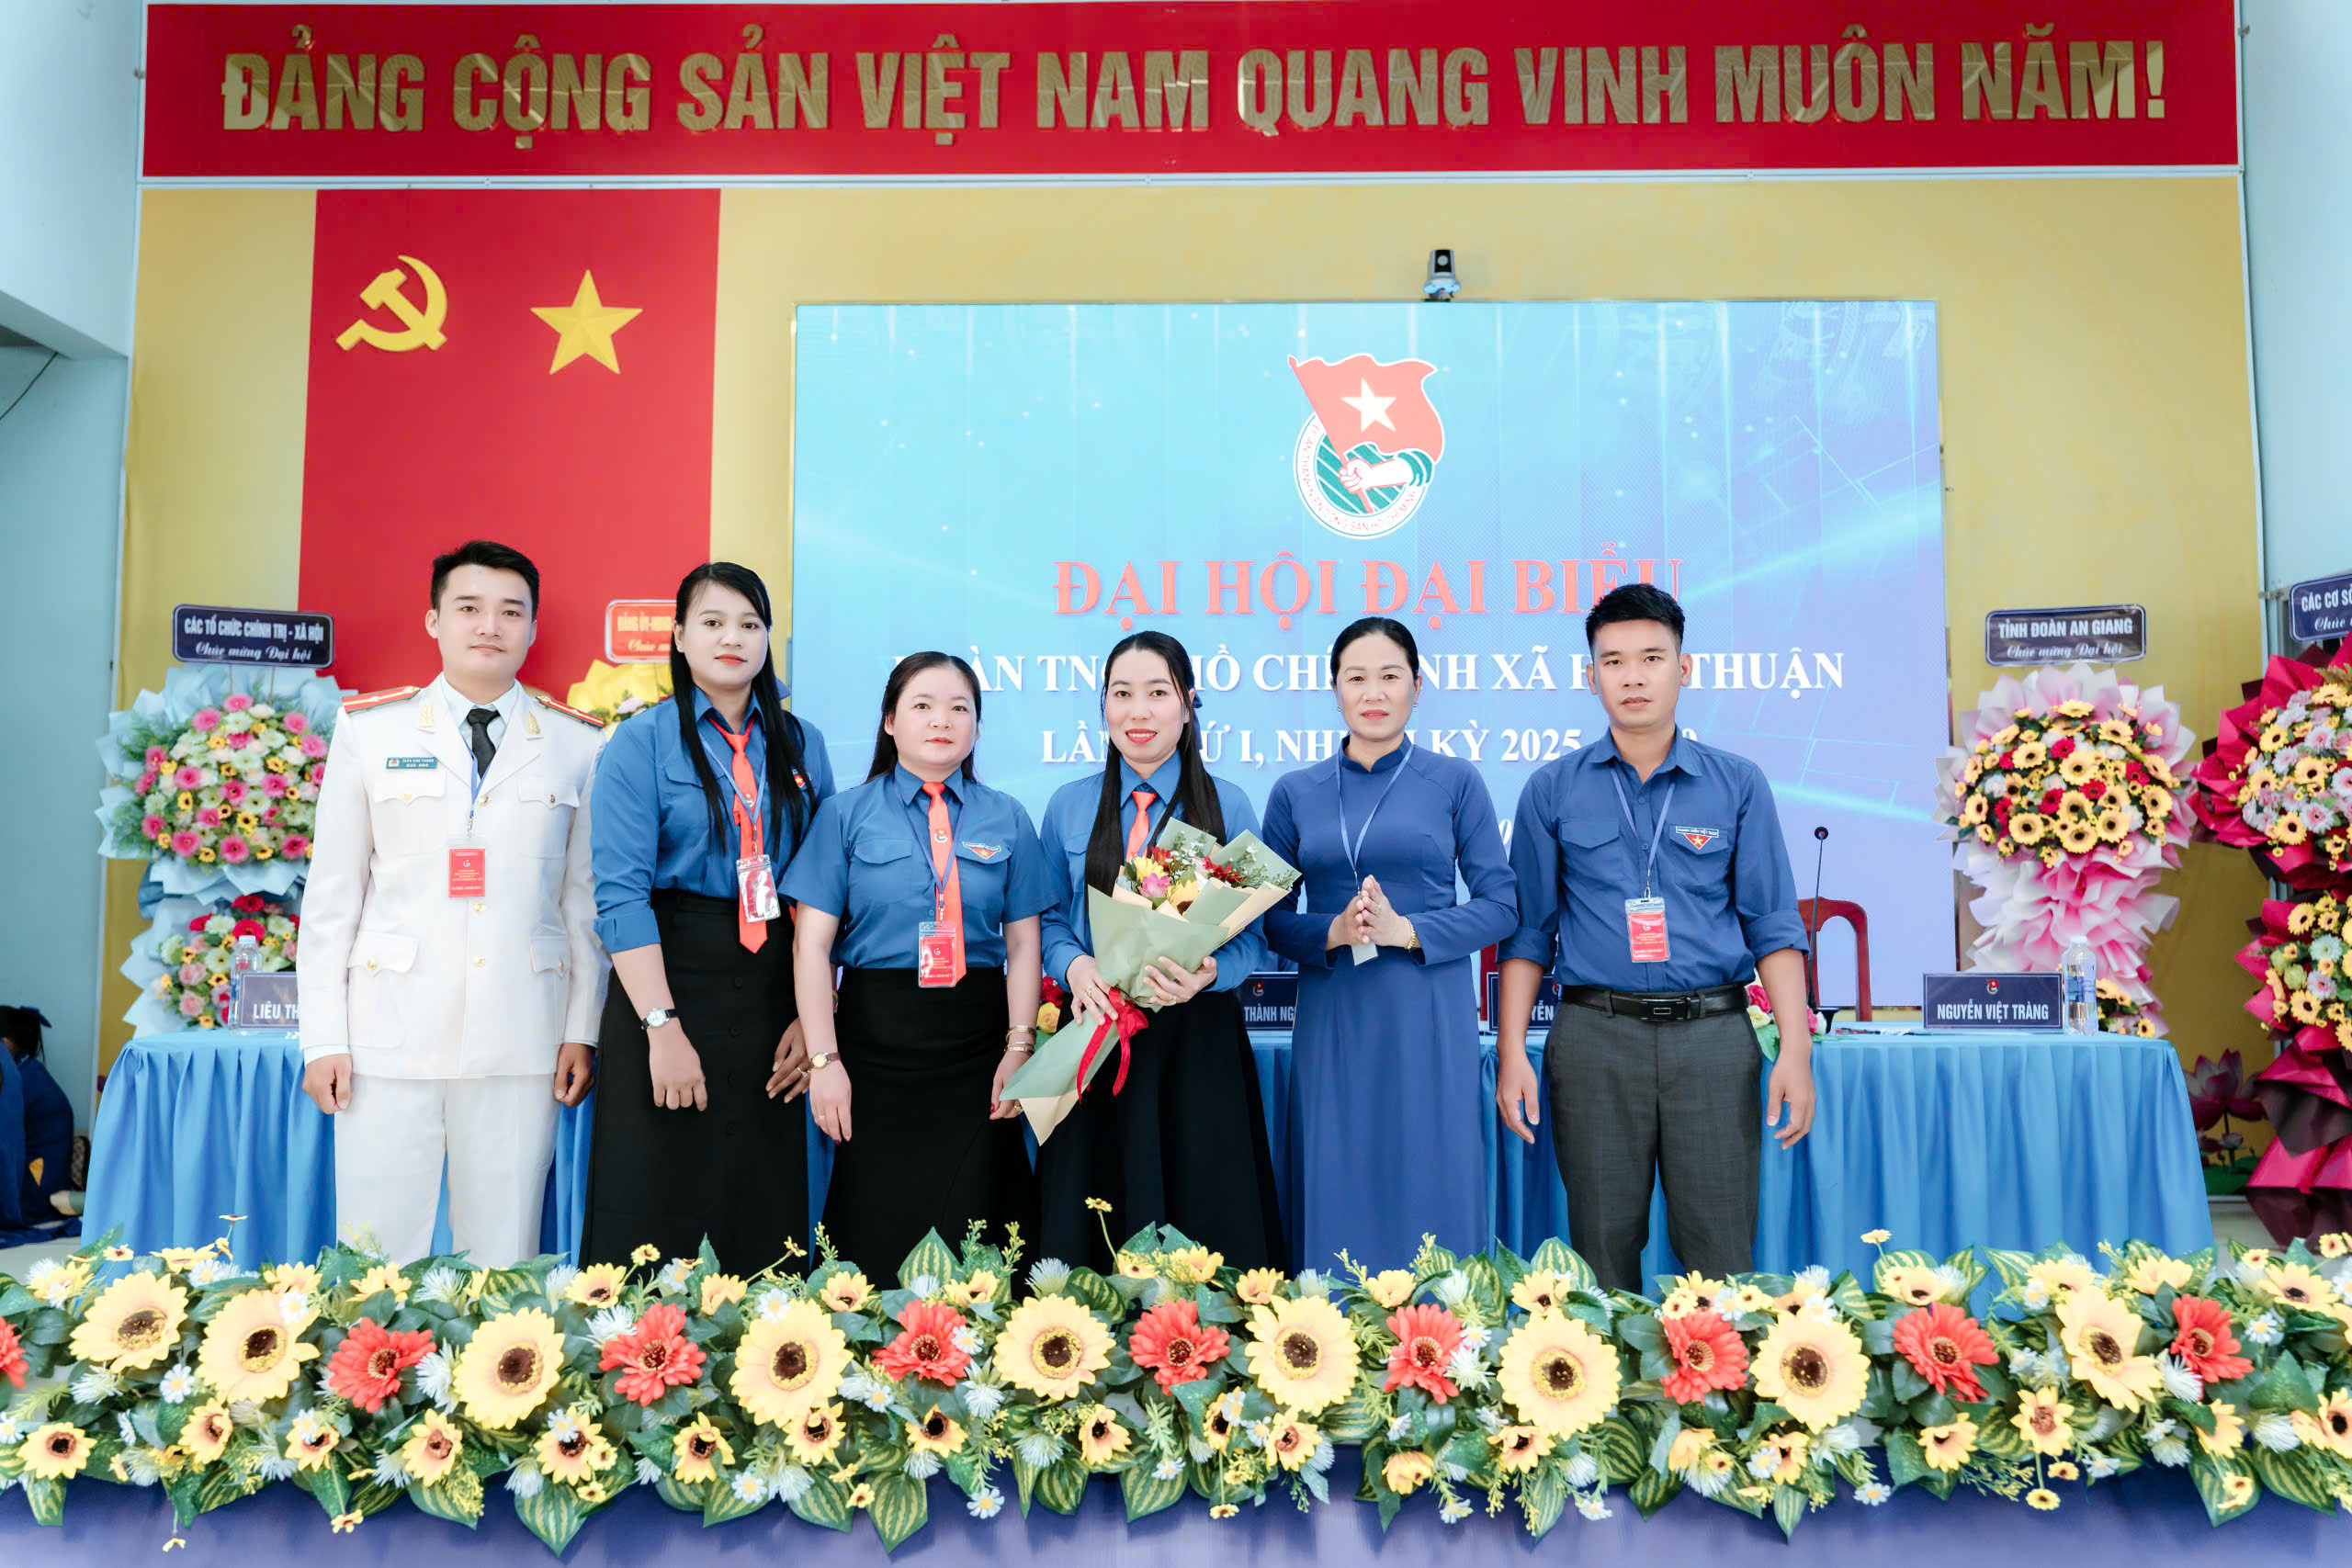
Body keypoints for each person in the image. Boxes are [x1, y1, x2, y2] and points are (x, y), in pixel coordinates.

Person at [1496, 582, 1816, 1293]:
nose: (1633, 677)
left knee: (1721, 1251)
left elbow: (1773, 924)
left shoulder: (1737, 784)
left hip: (1713, 1038)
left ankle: (1721, 1370)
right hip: (1594, 1039)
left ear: (1684, 667)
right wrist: (1513, 1050)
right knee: (1602, 1253)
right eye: (1613, 661)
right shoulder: (1552, 790)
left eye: (1651, 657)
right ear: (1591, 676)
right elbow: (1527, 935)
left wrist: (1795, 1048)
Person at [298, 541, 606, 1268]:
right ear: (434, 619)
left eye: (510, 611)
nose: (489, 626)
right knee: (374, 1256)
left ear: (532, 628)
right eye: (469, 607)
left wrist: (582, 1030)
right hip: (387, 1035)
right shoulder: (371, 731)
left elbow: (583, 906)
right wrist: (322, 1037)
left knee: (504, 1259)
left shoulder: (577, 742)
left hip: (521, 1035)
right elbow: (333, 896)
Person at [582, 562, 832, 1270]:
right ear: (679, 636)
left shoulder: (802, 743)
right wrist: (661, 1027)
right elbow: (621, 896)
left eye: (750, 624)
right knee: (655, 1207)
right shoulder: (641, 741)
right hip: (667, 978)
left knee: (761, 1210)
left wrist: (813, 1018)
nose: (732, 638)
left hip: (773, 990)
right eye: (714, 622)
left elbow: (822, 894)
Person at [783, 653, 1055, 1275]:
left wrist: (1019, 1046)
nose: (942, 720)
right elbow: (812, 948)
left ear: (977, 727)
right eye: (923, 706)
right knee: (875, 1225)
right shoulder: (845, 814)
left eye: (960, 708)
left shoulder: (1007, 815)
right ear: (889, 721)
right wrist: (824, 1062)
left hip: (978, 1046)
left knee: (982, 1225)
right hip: (874, 1045)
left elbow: (1023, 945)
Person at [1262, 617, 1518, 1270]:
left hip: (1428, 1008)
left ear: (1417, 686)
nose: (1373, 692)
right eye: (1356, 677)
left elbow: (1501, 905)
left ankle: (1441, 1324)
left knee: (1431, 1169)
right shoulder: (1295, 792)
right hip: (1334, 1010)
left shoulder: (1455, 781)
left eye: (1389, 676)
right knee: (1336, 1169)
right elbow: (1266, 921)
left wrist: (1410, 931)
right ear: (1334, 689)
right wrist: (1331, 931)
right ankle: (1330, 1324)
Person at [1035, 631, 1286, 1272]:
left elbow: (1253, 935)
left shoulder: (1226, 803)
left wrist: (1210, 973)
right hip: (1095, 1033)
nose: (1138, 711)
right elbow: (1048, 921)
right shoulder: (1068, 806)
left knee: (1205, 1215)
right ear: (1103, 706)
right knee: (1091, 1215)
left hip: (1196, 1040)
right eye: (1122, 694)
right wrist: (1075, 965)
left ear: (1188, 704)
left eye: (1157, 693)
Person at [2, 1006, 73, 1221]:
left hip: (34, 1191)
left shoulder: (18, 1079)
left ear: (6, 1043)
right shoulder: (27, 1070)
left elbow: (7, 1143)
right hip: (45, 1181)